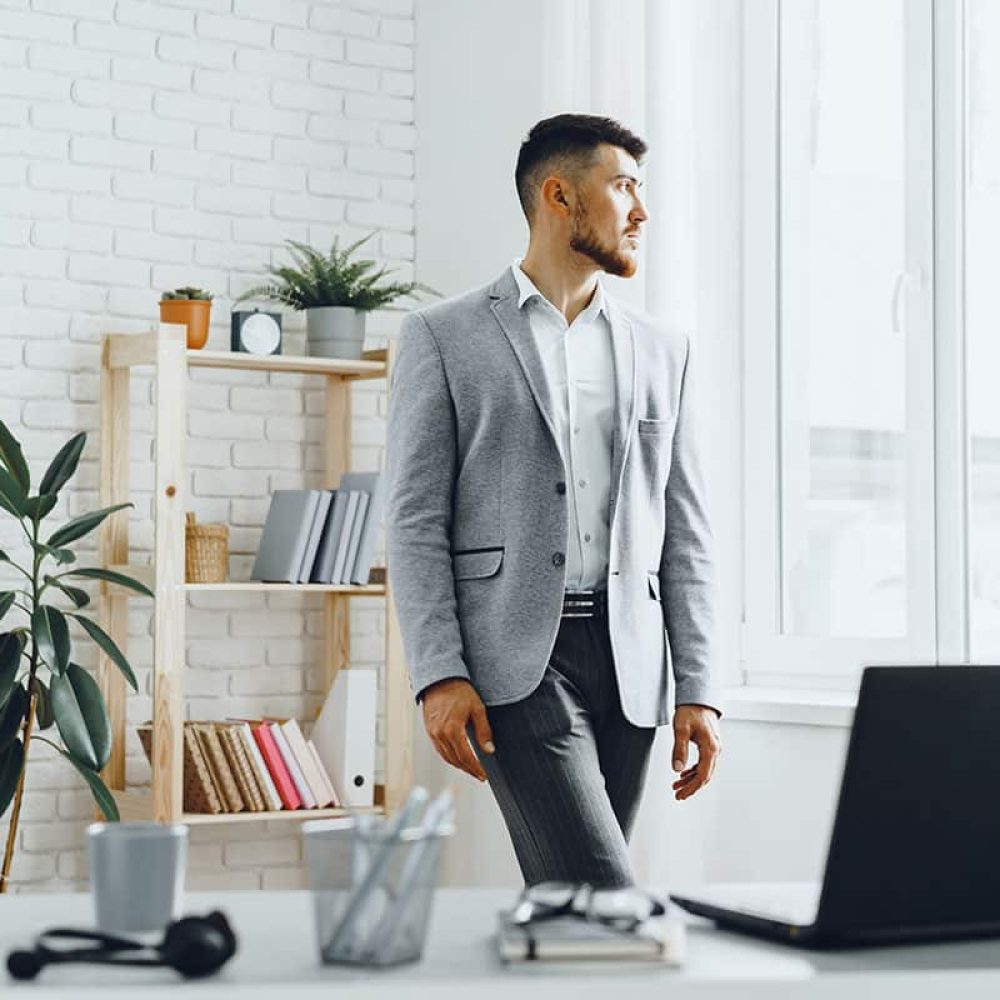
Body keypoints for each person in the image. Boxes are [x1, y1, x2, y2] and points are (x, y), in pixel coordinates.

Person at [387, 113, 722, 888]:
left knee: (576, 915)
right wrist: (438, 672)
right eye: (625, 188)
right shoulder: (443, 337)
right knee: (604, 891)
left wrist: (699, 686)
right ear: (559, 195)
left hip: (635, 665)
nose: (642, 212)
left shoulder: (664, 350)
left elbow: (687, 531)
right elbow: (413, 518)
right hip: (517, 665)